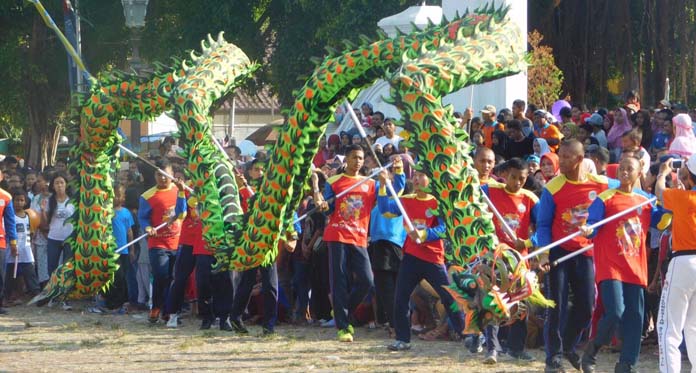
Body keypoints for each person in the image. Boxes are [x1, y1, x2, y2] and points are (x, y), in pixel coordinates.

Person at [531, 140, 612, 372]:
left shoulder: (602, 184)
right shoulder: (552, 188)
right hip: (559, 250)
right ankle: (553, 357)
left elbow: (625, 189)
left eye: (567, 157)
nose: (562, 161)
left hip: (585, 251)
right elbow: (543, 225)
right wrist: (544, 254)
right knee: (556, 306)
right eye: (561, 156)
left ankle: (568, 345)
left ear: (579, 159)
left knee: (587, 306)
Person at [579, 156, 655, 373]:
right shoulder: (605, 198)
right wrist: (588, 228)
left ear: (639, 172)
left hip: (635, 267)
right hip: (611, 265)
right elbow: (592, 224)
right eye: (621, 168)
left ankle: (626, 365)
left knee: (635, 318)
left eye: (629, 168)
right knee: (615, 312)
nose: (623, 172)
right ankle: (592, 349)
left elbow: (662, 220)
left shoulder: (646, 201)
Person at [377, 168, 465, 351]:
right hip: (411, 257)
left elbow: (444, 229)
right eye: (414, 175)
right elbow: (385, 210)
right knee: (400, 298)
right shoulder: (406, 200)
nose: (416, 179)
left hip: (433, 258)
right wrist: (384, 186)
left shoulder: (438, 203)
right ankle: (403, 339)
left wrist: (425, 234)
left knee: (449, 298)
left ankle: (467, 335)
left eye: (421, 175)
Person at [314, 144, 376, 342]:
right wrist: (323, 204)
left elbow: (385, 203)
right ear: (346, 160)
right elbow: (327, 208)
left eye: (360, 158)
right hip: (337, 235)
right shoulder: (334, 181)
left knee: (367, 280)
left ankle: (342, 309)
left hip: (359, 236)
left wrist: (396, 175)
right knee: (339, 280)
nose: (357, 161)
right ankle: (343, 327)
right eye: (354, 157)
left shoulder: (370, 183)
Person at [481, 158, 539, 363]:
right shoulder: (491, 192)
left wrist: (529, 243)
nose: (516, 182)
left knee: (520, 304)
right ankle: (492, 348)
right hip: (496, 258)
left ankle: (517, 348)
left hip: (520, 261)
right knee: (494, 302)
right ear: (505, 174)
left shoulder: (530, 199)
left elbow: (543, 229)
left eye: (521, 179)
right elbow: (472, 196)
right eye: (513, 177)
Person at [655, 155, 696, 373]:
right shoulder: (685, 196)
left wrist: (663, 172)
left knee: (669, 328)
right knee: (694, 327)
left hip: (684, 261)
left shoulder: (684, 198)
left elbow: (659, 193)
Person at [137, 159, 187, 323]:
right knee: (161, 275)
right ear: (155, 175)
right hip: (157, 243)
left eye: (166, 175)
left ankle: (170, 311)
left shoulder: (180, 190)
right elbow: (143, 218)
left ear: (172, 175)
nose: (163, 178)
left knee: (175, 278)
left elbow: (181, 213)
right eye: (159, 175)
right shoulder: (147, 196)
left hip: (178, 242)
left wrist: (181, 193)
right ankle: (156, 307)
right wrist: (147, 228)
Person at [43, 172, 74, 310]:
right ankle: (53, 296)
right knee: (52, 268)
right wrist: (43, 212)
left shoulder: (73, 200)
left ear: (66, 184)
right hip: (53, 237)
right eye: (56, 183)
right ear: (53, 186)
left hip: (69, 239)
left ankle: (65, 298)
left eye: (62, 182)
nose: (60, 185)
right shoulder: (50, 201)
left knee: (67, 269)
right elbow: (44, 222)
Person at [0, 178, 17, 314]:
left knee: (0, 274)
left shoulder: (6, 197)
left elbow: (10, 222)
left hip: (0, 241)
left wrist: (13, 242)